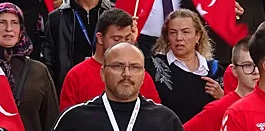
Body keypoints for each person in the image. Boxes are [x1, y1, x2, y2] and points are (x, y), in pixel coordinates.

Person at [54, 43, 183, 131]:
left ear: (143, 75)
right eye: (117, 66)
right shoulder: (74, 119)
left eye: (134, 67)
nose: (126, 74)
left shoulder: (165, 120)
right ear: (103, 73)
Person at [58, 8, 160, 110]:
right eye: (117, 39)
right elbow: (68, 120)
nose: (123, 44)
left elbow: (156, 115)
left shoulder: (140, 75)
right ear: (100, 38)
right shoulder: (76, 76)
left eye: (128, 38)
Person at [43, 0, 114, 90]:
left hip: (108, 93)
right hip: (70, 94)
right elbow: (49, 66)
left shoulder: (114, 17)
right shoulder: (56, 18)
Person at [0, 3, 59, 131]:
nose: (9, 28)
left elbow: (51, 119)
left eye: (14, 23)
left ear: (21, 30)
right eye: (2, 22)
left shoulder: (38, 71)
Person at [145, 9, 224, 123]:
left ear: (198, 36)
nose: (179, 38)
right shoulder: (152, 66)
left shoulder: (215, 71)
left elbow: (229, 110)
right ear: (167, 37)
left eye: (185, 32)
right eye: (173, 32)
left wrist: (222, 97)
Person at [183, 37, 256, 131]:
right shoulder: (218, 109)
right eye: (248, 65)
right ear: (234, 70)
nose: (256, 71)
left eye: (259, 64)